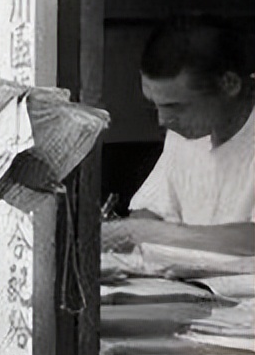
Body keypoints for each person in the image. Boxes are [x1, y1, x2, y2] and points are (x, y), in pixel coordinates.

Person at [102, 16, 254, 256]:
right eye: (156, 106)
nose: (163, 121)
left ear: (229, 84)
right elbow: (150, 210)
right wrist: (125, 233)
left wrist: (144, 232)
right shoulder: (186, 131)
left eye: (176, 107)